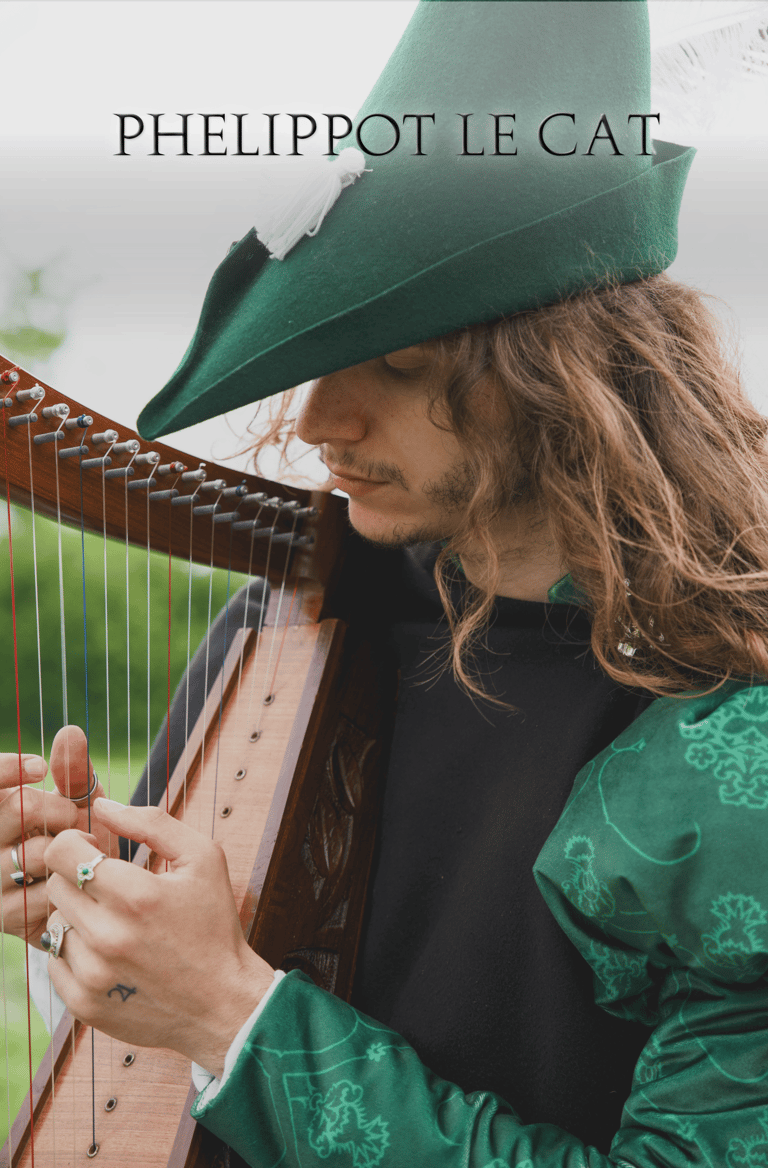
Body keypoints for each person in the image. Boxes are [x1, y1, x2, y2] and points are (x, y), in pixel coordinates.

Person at [3, 1, 768, 1164]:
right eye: (318, 363)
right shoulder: (295, 618)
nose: (318, 421)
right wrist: (81, 916)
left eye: (398, 366)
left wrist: (234, 1012)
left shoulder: (730, 734)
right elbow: (152, 1029)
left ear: (566, 379)